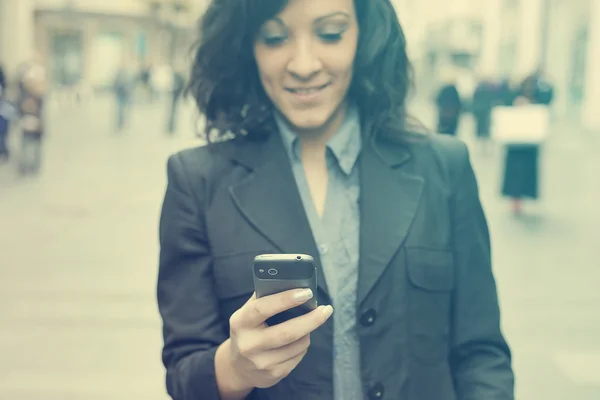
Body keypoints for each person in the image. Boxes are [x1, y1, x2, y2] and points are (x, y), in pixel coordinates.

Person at [157, 1, 514, 400]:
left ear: (366, 36)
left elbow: (481, 355)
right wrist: (235, 366)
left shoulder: (444, 168)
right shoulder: (196, 181)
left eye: (330, 33)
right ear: (246, 47)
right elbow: (184, 374)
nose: (304, 65)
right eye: (275, 38)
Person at [501, 73, 553, 215]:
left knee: (523, 173)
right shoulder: (514, 93)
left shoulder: (540, 92)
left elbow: (547, 101)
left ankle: (519, 200)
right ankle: (515, 201)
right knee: (515, 174)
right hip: (516, 142)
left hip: (528, 142)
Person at [17, 55, 48, 175]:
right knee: (26, 144)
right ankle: (26, 165)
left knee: (34, 145)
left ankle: (33, 166)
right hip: (27, 124)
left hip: (35, 125)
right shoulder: (24, 96)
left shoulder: (39, 97)